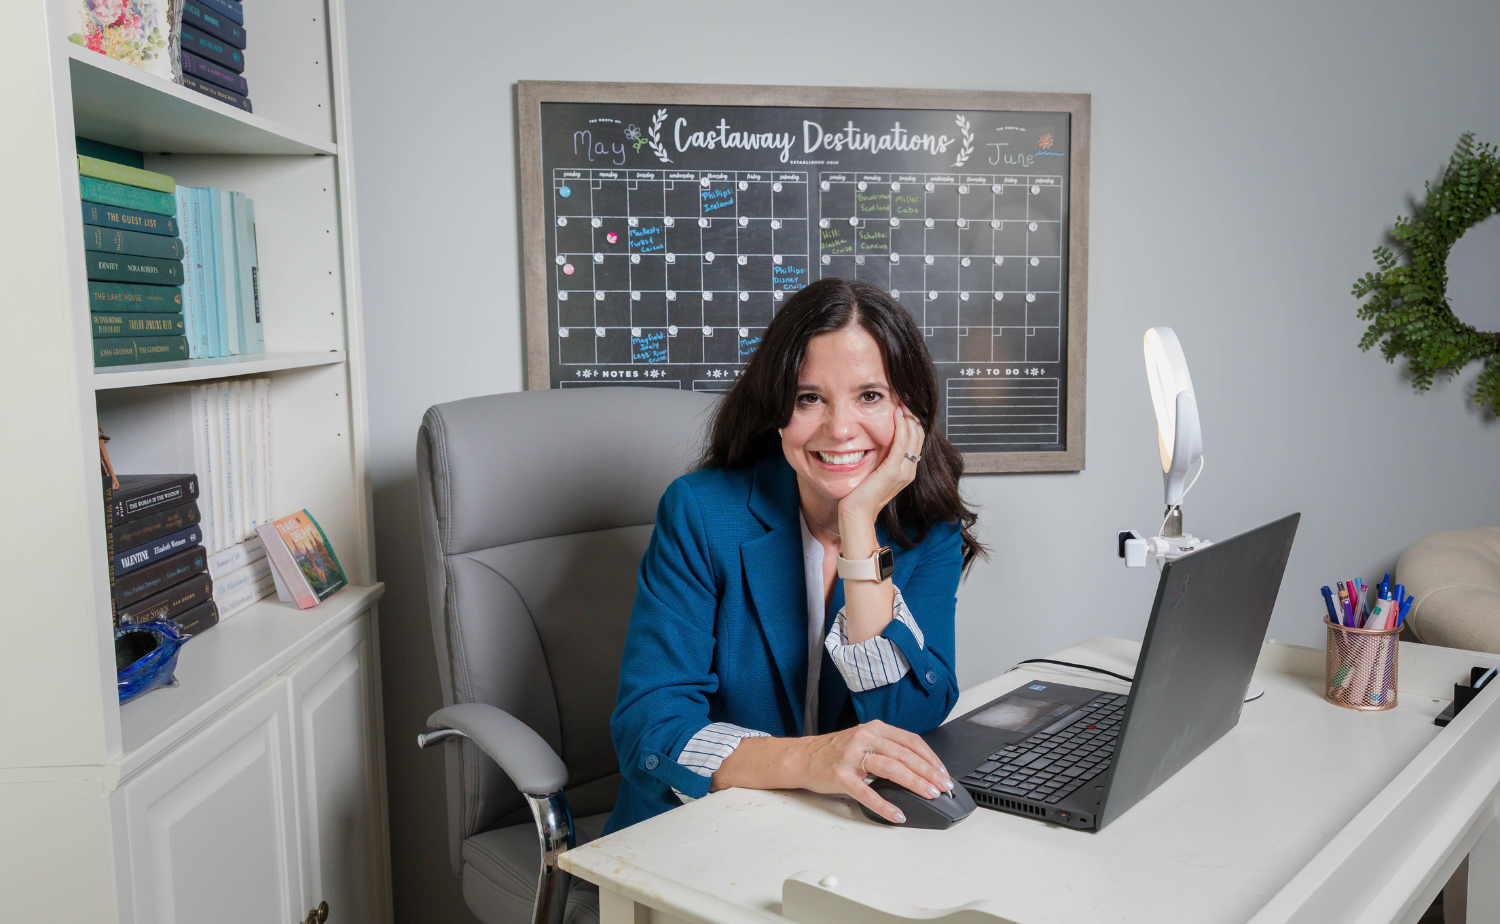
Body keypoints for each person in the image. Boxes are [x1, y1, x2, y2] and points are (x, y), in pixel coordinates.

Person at [606, 278, 984, 832]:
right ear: (778, 407)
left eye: (870, 396)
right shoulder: (702, 513)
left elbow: (909, 717)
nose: (839, 429)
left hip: (844, 835)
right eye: (810, 398)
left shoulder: (929, 530)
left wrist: (859, 523)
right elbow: (649, 727)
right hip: (697, 830)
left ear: (910, 414)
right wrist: (810, 761)